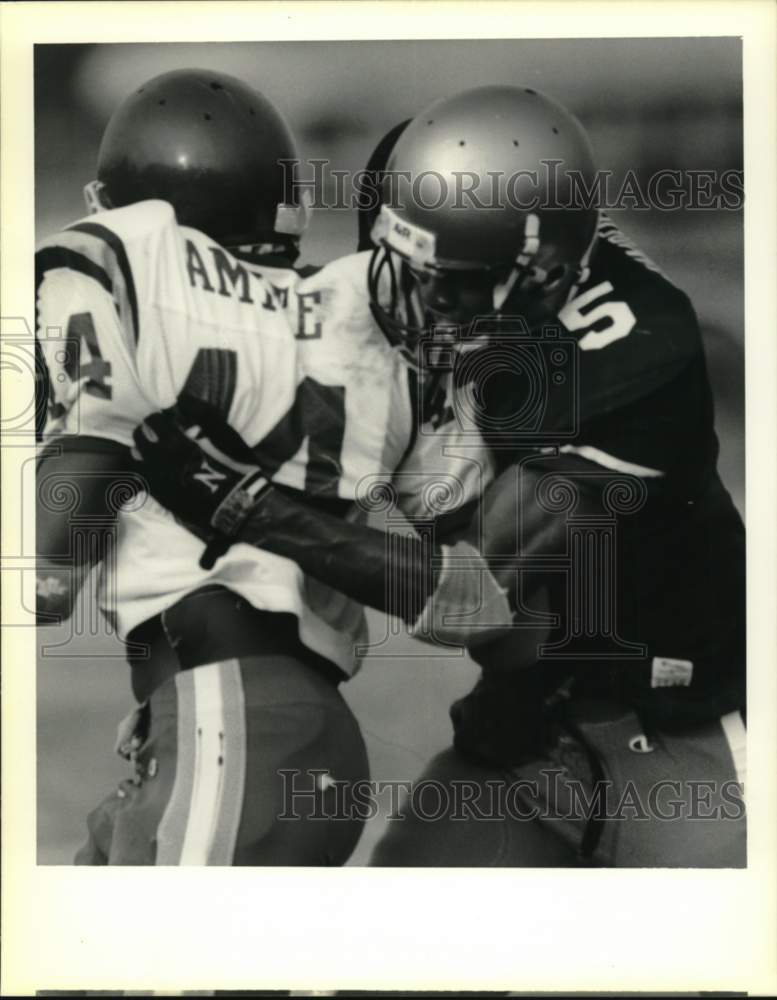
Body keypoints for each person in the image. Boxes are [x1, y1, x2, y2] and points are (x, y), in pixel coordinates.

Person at [132, 85, 747, 867]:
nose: (423, 302)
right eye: (412, 266)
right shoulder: (423, 184)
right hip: (522, 727)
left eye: (458, 284)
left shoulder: (636, 355)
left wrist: (248, 506)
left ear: (545, 279)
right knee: (392, 968)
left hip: (689, 735)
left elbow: (469, 598)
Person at [37, 68, 489, 865]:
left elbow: (55, 549)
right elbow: (470, 606)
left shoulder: (121, 260)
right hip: (282, 731)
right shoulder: (364, 321)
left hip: (225, 721)